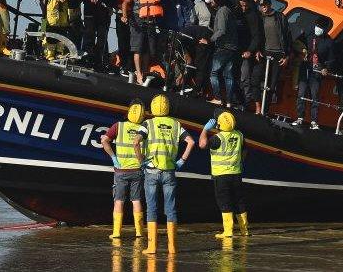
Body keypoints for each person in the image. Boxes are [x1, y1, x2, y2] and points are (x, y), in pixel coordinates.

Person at [135, 94, 194, 255]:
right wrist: (182, 160)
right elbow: (191, 142)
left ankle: (152, 247)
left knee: (152, 208)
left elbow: (136, 142)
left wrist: (142, 161)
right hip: (169, 171)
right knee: (171, 209)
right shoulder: (176, 124)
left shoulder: (148, 123)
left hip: (151, 171)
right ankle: (172, 247)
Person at [100, 99, 146, 240]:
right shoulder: (144, 128)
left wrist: (113, 157)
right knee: (136, 200)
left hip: (120, 171)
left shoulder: (118, 126)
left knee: (119, 201)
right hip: (138, 170)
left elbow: (104, 141)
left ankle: (116, 232)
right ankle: (139, 232)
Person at [198, 111, 248, 240]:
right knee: (239, 201)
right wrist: (241, 162)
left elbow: (202, 144)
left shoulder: (217, 138)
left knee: (224, 202)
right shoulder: (239, 135)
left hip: (221, 175)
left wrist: (204, 130)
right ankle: (244, 230)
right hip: (236, 174)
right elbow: (245, 150)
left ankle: (228, 231)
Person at [122, 0, 169, 84]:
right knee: (138, 48)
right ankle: (138, 73)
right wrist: (124, 16)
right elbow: (126, 2)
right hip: (137, 19)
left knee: (148, 48)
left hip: (151, 20)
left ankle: (144, 71)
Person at [250, 0, 292, 114]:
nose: (263, 7)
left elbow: (288, 37)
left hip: (278, 54)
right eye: (261, 5)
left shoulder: (280, 17)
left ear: (270, 4)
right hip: (263, 53)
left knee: (271, 86)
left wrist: (287, 56)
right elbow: (256, 36)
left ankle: (265, 111)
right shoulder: (259, 18)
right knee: (255, 79)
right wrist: (257, 50)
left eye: (265, 5)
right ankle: (258, 106)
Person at [293, 19, 334, 129]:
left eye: (320, 27)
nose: (317, 28)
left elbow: (331, 59)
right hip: (305, 68)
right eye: (316, 25)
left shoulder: (328, 41)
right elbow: (296, 42)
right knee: (301, 94)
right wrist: (302, 51)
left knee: (314, 96)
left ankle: (314, 121)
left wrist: (326, 68)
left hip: (317, 71)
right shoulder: (308, 33)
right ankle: (300, 118)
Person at [209, 0, 240, 107]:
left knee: (214, 72)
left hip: (224, 47)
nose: (211, 2)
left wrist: (210, 39)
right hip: (232, 47)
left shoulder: (222, 11)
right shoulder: (229, 11)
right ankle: (229, 101)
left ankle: (217, 97)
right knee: (228, 75)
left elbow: (221, 30)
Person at [192, 0, 219, 97]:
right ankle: (197, 88)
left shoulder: (218, 5)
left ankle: (207, 91)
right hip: (202, 34)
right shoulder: (199, 5)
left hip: (215, 37)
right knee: (200, 64)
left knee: (211, 67)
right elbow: (193, 22)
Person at [235, 0, 261, 110]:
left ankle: (246, 102)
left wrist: (250, 50)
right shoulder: (236, 14)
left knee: (244, 77)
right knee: (234, 76)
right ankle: (236, 100)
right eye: (241, 6)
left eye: (245, 6)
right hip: (235, 50)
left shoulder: (253, 16)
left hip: (246, 51)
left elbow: (256, 36)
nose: (243, 8)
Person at [113, 0, 139, 75]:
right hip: (121, 14)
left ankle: (131, 67)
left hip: (135, 16)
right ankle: (124, 65)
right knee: (122, 42)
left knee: (133, 43)